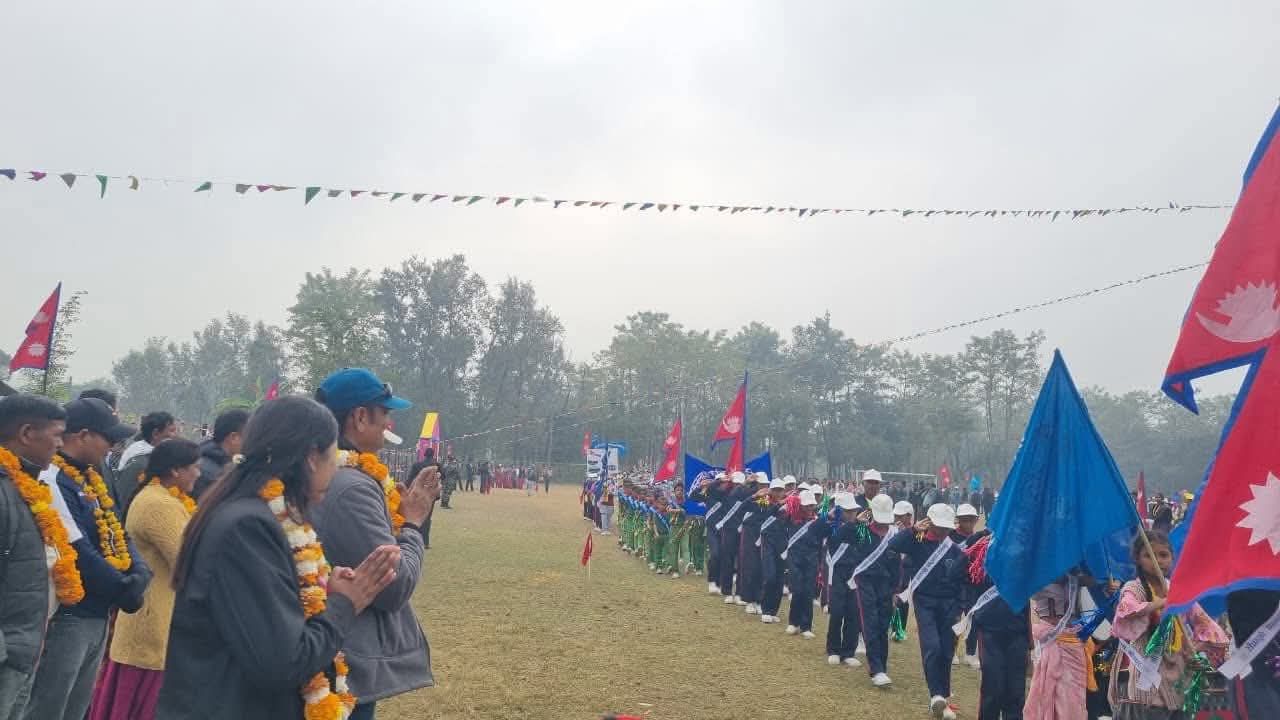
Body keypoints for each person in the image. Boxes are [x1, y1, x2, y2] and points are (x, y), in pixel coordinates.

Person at [157, 397, 400, 718]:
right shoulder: (247, 526)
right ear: (311, 457)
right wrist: (345, 603)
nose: (335, 469)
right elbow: (283, 661)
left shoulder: (255, 513)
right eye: (333, 457)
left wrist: (324, 591)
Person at [312, 368, 440, 720]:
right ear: (359, 417)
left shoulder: (332, 474)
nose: (388, 422)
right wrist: (412, 522)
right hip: (343, 664)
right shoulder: (352, 486)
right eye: (384, 412)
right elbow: (393, 587)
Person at [25, 398, 150, 720]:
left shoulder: (92, 477)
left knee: (77, 708)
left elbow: (118, 530)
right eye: (109, 439)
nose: (113, 447)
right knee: (49, 707)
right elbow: (77, 547)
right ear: (83, 436)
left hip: (97, 611)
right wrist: (122, 588)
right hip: (70, 615)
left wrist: (139, 572)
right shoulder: (53, 477)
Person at [89, 439, 200, 720]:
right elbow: (188, 560)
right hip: (151, 619)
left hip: (151, 616)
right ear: (175, 470)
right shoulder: (159, 504)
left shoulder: (161, 498)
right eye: (194, 467)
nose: (198, 474)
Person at [0, 395, 74, 720]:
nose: (60, 444)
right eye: (56, 434)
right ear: (27, 433)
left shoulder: (24, 486)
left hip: (22, 651)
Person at [1107, 530, 1227, 720]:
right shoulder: (1134, 588)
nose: (1158, 560)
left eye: (1163, 555)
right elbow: (1127, 610)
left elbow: (1203, 622)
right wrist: (1161, 603)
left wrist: (1196, 650)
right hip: (1145, 665)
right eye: (1149, 555)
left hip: (1177, 666)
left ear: (1172, 558)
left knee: (1179, 711)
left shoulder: (1178, 590)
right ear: (1138, 559)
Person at [888, 503, 964, 720]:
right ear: (929, 523)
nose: (942, 531)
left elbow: (962, 582)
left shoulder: (955, 550)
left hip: (949, 606)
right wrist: (913, 530)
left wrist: (959, 607)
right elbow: (893, 545)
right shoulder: (917, 542)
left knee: (946, 651)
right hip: (925, 603)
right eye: (938, 526)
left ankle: (943, 698)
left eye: (945, 528)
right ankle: (935, 696)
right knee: (932, 646)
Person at [959, 530, 1029, 720]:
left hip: (1018, 631)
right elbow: (957, 572)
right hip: (990, 631)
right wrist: (979, 539)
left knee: (1016, 691)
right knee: (993, 688)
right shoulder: (983, 552)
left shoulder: (1026, 555)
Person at [113, 411, 179, 519]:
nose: (175, 436)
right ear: (156, 434)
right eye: (171, 431)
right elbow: (124, 499)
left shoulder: (148, 453)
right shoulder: (140, 460)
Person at [783, 489, 828, 639]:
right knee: (797, 590)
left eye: (811, 505)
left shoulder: (818, 521)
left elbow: (824, 539)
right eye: (806, 505)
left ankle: (806, 626)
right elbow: (776, 513)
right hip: (795, 558)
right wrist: (789, 501)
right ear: (800, 506)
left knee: (808, 591)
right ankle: (793, 622)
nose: (809, 508)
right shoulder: (791, 518)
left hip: (812, 559)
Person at [690, 472, 731, 595]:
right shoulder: (708, 495)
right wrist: (702, 486)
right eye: (721, 483)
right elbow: (692, 496)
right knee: (715, 554)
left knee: (724, 557)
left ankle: (719, 583)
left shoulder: (729, 495)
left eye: (725, 483)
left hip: (726, 530)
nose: (723, 485)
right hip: (712, 530)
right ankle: (712, 581)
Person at [194, 408, 248, 499]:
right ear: (234, 438)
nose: (253, 441)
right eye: (250, 436)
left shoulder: (229, 463)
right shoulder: (209, 475)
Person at [952, 504, 982, 669]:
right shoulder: (950, 536)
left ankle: (970, 653)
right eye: (965, 519)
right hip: (955, 584)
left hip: (973, 584)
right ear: (959, 520)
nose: (968, 523)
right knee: (955, 617)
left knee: (973, 617)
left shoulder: (979, 538)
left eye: (971, 519)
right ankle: (952, 650)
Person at [716, 471, 752, 606]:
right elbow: (712, 489)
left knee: (742, 562)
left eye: (739, 484)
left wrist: (749, 483)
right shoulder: (726, 493)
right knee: (727, 561)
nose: (737, 486)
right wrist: (722, 481)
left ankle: (739, 593)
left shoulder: (748, 494)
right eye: (735, 484)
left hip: (743, 531)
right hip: (728, 530)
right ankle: (727, 592)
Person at [758, 478, 789, 624]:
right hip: (768, 542)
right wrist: (779, 504)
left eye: (780, 490)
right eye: (775, 490)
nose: (777, 493)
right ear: (770, 490)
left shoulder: (789, 504)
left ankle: (773, 611)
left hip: (782, 544)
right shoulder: (764, 501)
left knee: (779, 579)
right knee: (770, 576)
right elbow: (766, 513)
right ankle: (765, 610)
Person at [737, 473, 769, 615]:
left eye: (766, 485)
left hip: (764, 534)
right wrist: (754, 495)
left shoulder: (770, 498)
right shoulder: (749, 495)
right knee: (750, 566)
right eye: (761, 485)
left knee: (762, 568)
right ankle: (749, 600)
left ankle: (759, 600)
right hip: (750, 533)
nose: (764, 487)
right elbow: (741, 507)